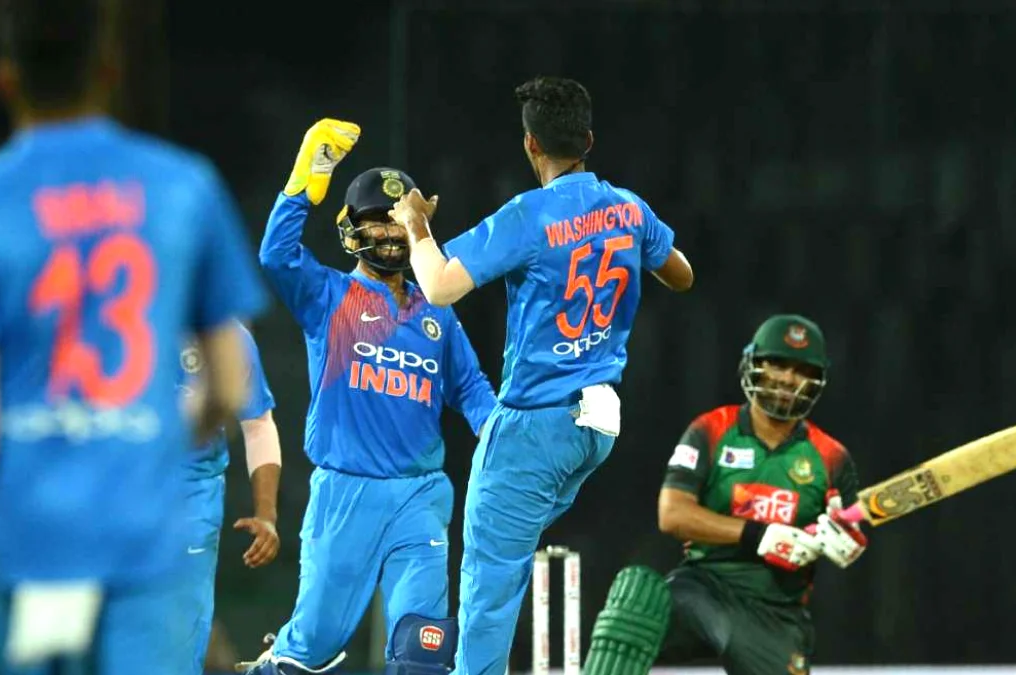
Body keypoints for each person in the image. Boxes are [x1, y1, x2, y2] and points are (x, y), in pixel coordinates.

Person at [0, 0, 268, 673]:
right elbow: (228, 379)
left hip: (18, 540)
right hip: (139, 537)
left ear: (4, 79)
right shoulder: (186, 188)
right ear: (107, 71)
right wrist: (152, 441)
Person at [388, 76, 694, 675]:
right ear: (588, 141)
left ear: (530, 144)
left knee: (489, 578)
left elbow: (439, 286)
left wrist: (416, 225)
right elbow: (681, 274)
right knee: (507, 548)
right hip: (597, 422)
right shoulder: (629, 208)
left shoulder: (528, 215)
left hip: (535, 423)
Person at [238, 119, 497, 675]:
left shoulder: (436, 310)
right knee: (308, 652)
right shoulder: (328, 296)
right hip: (344, 495)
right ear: (351, 229)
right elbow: (276, 256)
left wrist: (503, 439)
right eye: (375, 221)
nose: (389, 233)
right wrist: (303, 184)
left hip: (420, 498)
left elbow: (471, 387)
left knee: (422, 653)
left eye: (398, 220)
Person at [583, 314, 869, 675]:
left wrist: (846, 542)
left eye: (801, 370)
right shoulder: (712, 429)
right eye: (777, 364)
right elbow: (672, 514)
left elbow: (850, 527)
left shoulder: (832, 456)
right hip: (703, 591)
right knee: (637, 597)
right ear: (753, 364)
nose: (787, 378)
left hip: (776, 611)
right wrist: (758, 534)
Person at [172, 321, 282, 675]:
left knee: (181, 630)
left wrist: (267, 514)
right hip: (116, 489)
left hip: (192, 495)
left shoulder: (229, 336)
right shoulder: (114, 311)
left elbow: (258, 424)